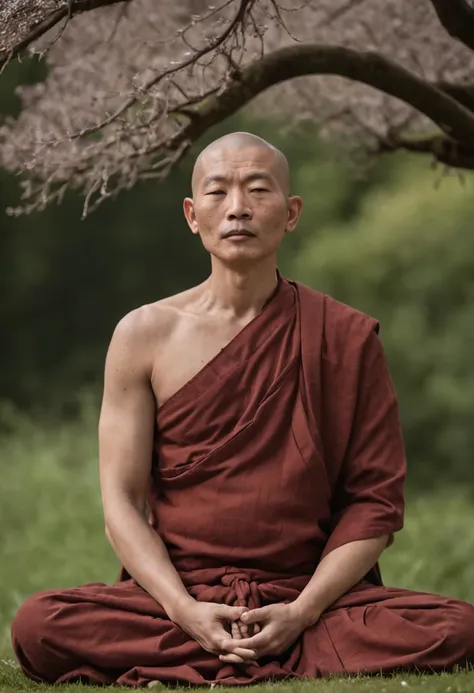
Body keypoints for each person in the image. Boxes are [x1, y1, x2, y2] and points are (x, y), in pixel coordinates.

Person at [11, 132, 474, 687]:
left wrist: (302, 610)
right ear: (191, 214)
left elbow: (373, 505)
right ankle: (247, 647)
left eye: (258, 189)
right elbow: (123, 504)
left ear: (291, 212)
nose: (238, 208)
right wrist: (185, 610)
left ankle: (245, 648)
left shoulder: (345, 337)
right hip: (181, 595)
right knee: (39, 624)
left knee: (462, 627)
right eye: (217, 192)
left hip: (310, 594)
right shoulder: (144, 335)